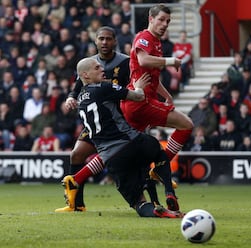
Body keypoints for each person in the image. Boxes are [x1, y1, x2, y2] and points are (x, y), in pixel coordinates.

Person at [62, 57, 181, 218]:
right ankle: (168, 190)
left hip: (112, 160)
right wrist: (138, 87)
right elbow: (137, 96)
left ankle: (155, 211)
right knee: (157, 150)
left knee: (138, 203)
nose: (102, 69)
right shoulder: (104, 87)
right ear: (86, 75)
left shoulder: (81, 102)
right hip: (131, 143)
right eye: (97, 68)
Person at [55, 26, 131, 212]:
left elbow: (132, 89)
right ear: (95, 41)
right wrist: (72, 96)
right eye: (101, 39)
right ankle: (76, 204)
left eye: (108, 39)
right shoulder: (88, 63)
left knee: (128, 162)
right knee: (76, 154)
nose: (104, 42)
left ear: (114, 41)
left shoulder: (126, 62)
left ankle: (149, 198)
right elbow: (79, 84)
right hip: (97, 122)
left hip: (119, 122)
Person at [120, 4, 193, 163]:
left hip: (136, 101)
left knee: (121, 146)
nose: (165, 24)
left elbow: (152, 78)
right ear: (150, 19)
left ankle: (77, 177)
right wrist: (170, 61)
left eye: (168, 21)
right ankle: (162, 167)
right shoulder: (145, 37)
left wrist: (166, 95)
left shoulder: (156, 42)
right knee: (186, 125)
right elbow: (143, 60)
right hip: (141, 101)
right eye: (161, 20)